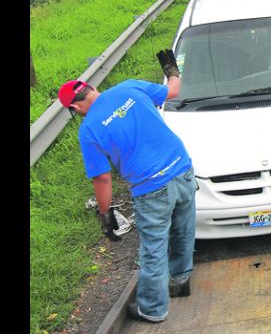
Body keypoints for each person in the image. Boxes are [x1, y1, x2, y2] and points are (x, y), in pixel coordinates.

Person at [58, 49, 195, 324]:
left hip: (150, 186)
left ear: (74, 108)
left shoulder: (89, 131)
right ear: (93, 89)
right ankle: (180, 281)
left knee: (154, 249)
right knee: (183, 229)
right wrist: (172, 71)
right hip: (181, 167)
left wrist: (106, 214)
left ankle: (153, 309)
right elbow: (173, 91)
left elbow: (102, 178)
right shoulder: (129, 87)